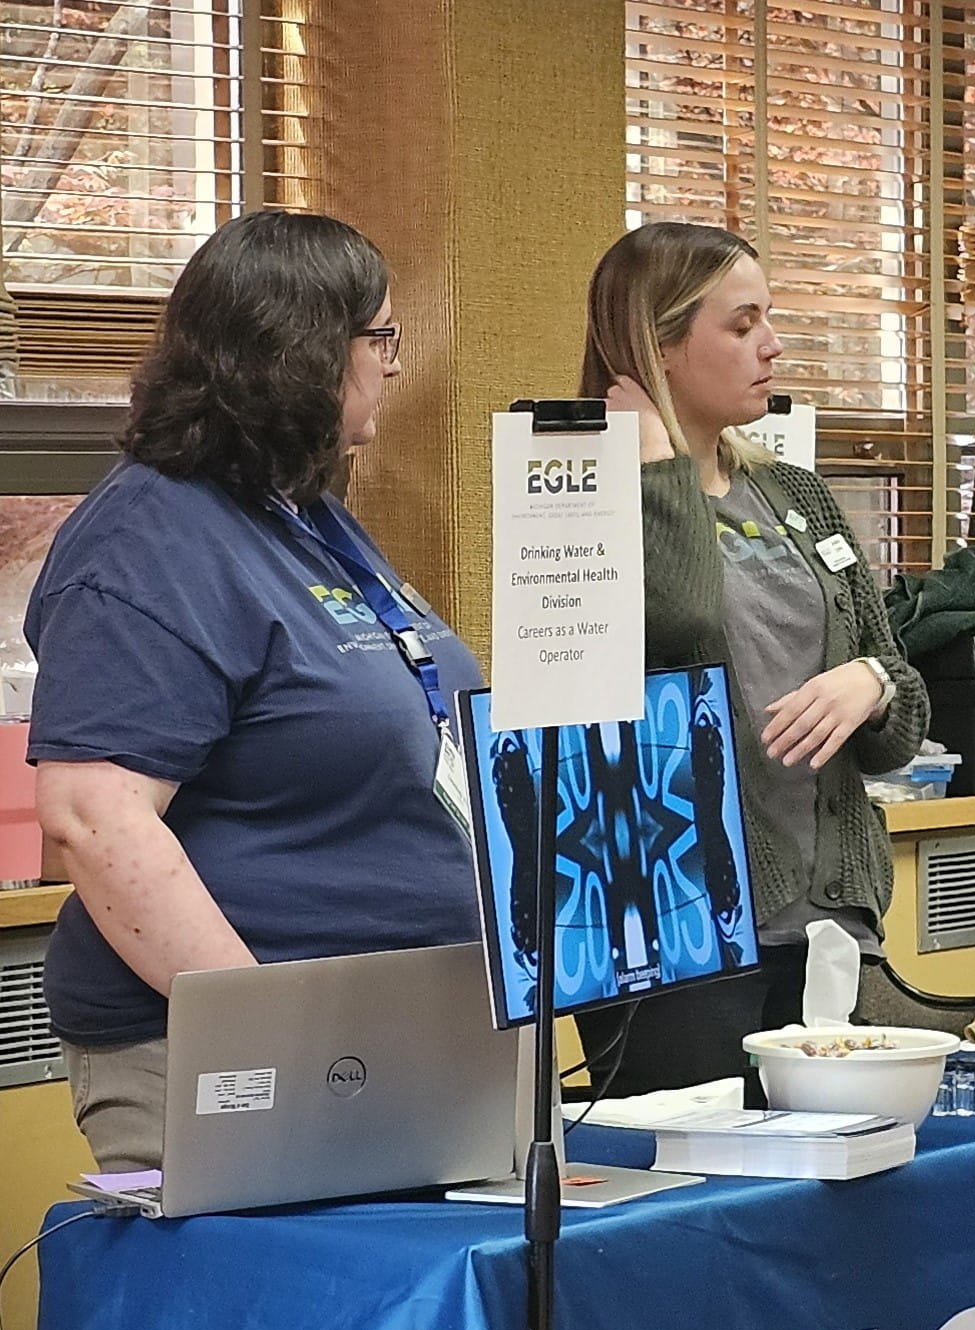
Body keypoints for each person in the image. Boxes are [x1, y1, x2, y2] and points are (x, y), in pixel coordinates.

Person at [27, 209, 481, 1173]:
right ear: (302, 350)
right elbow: (95, 821)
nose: (395, 364)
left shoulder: (296, 512)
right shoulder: (150, 541)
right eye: (381, 336)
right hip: (234, 1057)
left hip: (386, 1040)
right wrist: (270, 1041)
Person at [577, 221, 927, 1095]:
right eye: (741, 325)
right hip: (681, 924)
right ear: (657, 342)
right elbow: (679, 628)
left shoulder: (793, 492)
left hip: (825, 921)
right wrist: (656, 469)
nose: (771, 345)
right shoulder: (582, 495)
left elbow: (901, 725)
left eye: (767, 318)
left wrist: (872, 682)